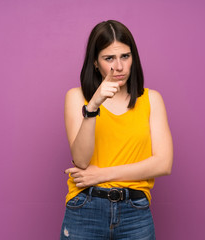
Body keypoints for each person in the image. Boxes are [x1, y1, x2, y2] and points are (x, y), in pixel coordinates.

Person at [61, 20, 173, 240]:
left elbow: (163, 163)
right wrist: (93, 106)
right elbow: (81, 161)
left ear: (134, 58)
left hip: (135, 211)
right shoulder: (76, 97)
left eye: (125, 56)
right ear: (95, 62)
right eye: (109, 58)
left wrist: (101, 174)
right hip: (85, 208)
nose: (119, 67)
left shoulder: (152, 100)